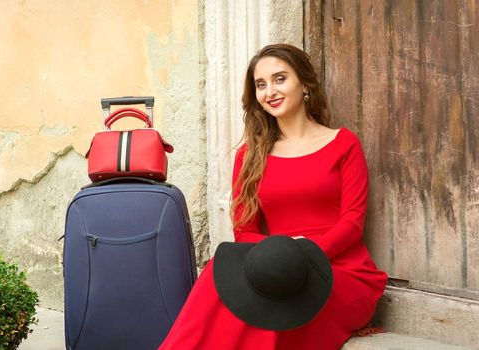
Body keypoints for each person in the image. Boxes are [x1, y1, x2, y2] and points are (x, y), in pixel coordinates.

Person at [159, 43, 388, 350]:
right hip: (275, 265)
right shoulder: (250, 155)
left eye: (280, 79)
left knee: (279, 313)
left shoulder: (343, 144)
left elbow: (352, 223)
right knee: (219, 272)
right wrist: (278, 257)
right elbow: (245, 231)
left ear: (304, 83)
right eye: (261, 85)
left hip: (336, 269)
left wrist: (303, 252)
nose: (270, 91)